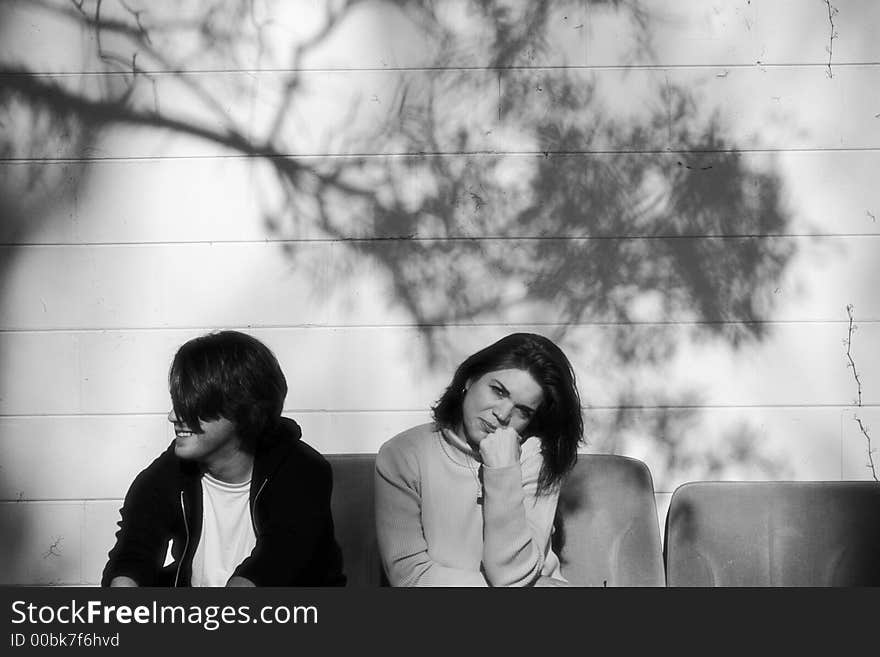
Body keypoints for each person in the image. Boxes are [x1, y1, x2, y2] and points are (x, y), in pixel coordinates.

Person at [102, 330, 345, 587]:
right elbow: (133, 553)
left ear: (240, 408)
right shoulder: (169, 473)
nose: (173, 416)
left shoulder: (301, 472)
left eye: (192, 405)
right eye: (177, 402)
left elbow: (272, 567)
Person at [375, 332, 583, 586]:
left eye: (523, 411)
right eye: (498, 391)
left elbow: (512, 576)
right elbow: (409, 576)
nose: (503, 414)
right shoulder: (404, 454)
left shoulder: (535, 458)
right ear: (470, 379)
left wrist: (503, 469)